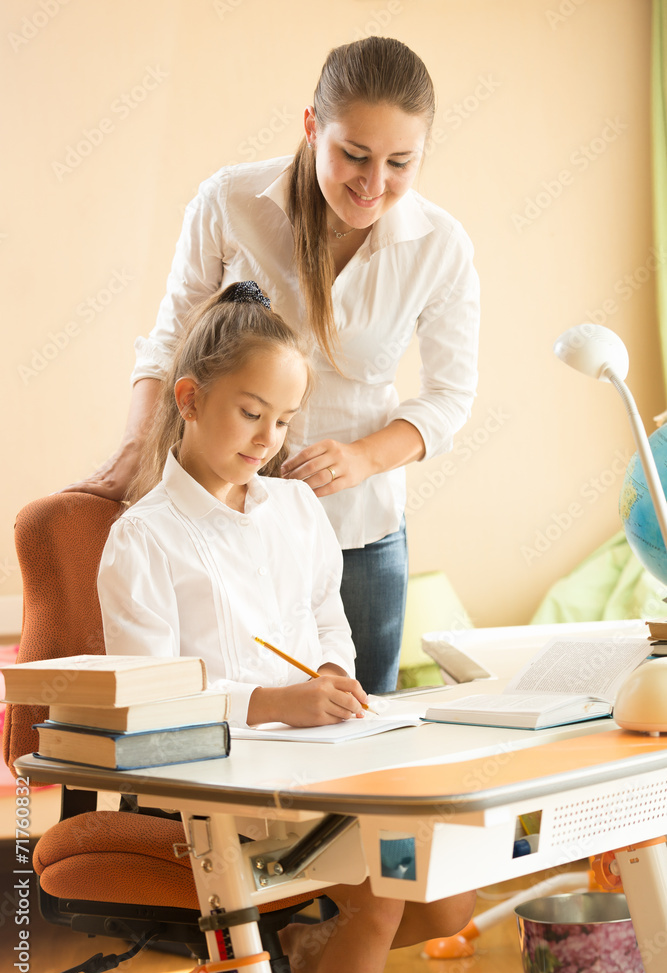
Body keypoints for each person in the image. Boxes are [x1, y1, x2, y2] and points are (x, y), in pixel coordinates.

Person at [96, 282, 476, 973]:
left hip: (322, 760)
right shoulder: (140, 541)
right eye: (249, 414)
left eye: (283, 420)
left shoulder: (297, 509)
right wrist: (272, 703)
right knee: (383, 886)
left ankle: (303, 948)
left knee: (451, 891)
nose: (267, 440)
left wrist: (331, 673)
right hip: (217, 777)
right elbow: (151, 706)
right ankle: (307, 950)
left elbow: (328, 621)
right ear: (188, 399)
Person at [72, 36, 481, 696]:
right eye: (353, 154)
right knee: (229, 712)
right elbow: (170, 341)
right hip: (217, 517)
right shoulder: (230, 203)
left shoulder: (440, 247)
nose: (372, 184)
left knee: (354, 739)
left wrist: (362, 459)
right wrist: (131, 453)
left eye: (400, 162)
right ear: (312, 126)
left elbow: (449, 397)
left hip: (356, 532)